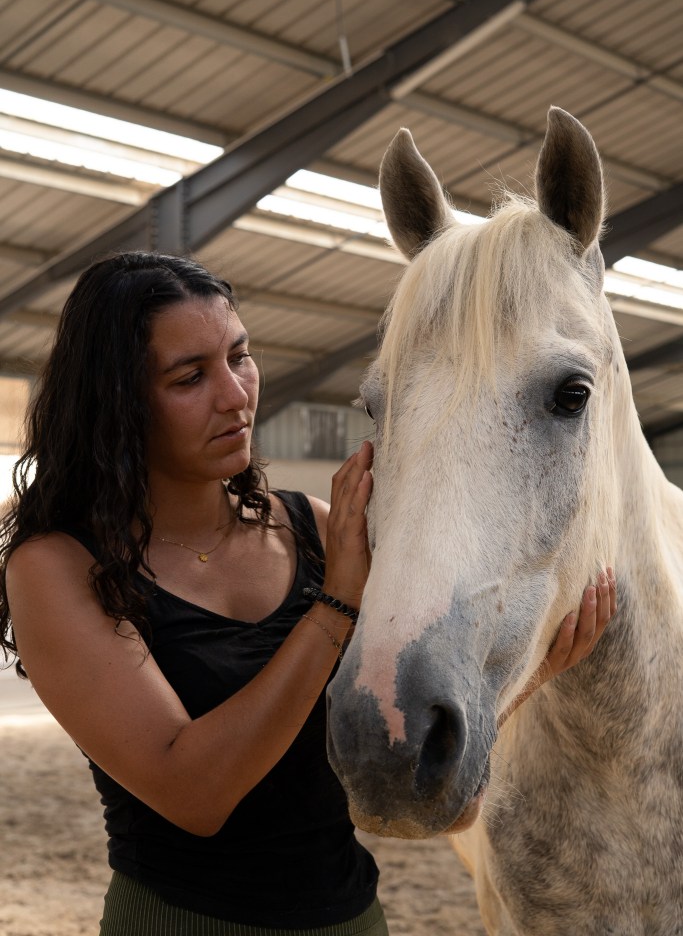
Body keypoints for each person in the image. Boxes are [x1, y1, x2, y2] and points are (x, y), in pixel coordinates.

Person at [0, 252, 616, 936]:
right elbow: (193, 792)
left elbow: (414, 783)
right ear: (117, 400)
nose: (235, 395)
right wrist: (337, 602)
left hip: (353, 921)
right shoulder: (56, 568)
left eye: (239, 357)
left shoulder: (317, 530)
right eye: (189, 376)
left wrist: (535, 678)